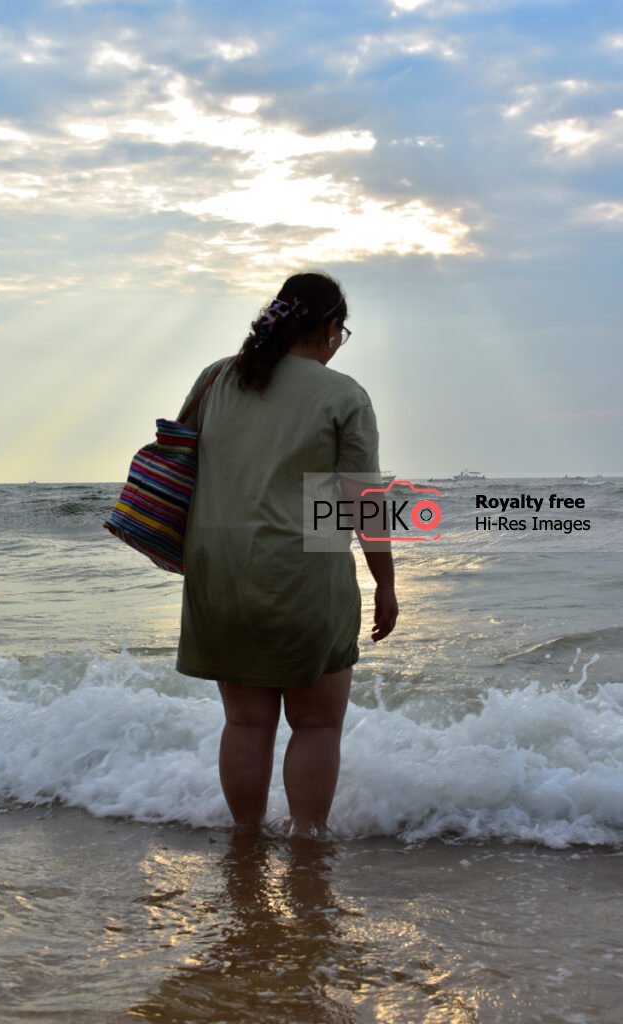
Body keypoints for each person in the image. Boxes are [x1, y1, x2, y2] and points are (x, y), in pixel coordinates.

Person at [176, 271, 398, 836]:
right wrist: (385, 585)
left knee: (246, 724)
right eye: (341, 331)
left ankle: (246, 843)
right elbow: (363, 503)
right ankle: (306, 843)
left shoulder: (217, 378)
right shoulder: (343, 394)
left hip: (218, 574)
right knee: (317, 725)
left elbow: (180, 459)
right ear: (329, 328)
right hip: (304, 575)